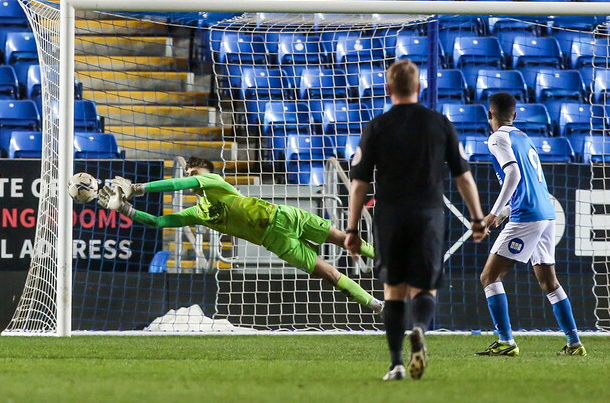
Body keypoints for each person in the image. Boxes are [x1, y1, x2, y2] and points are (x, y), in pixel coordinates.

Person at [345, 59, 487, 382]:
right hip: (428, 216)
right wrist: (477, 218)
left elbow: (358, 185)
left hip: (390, 217)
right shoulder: (439, 123)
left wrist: (352, 230)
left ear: (388, 89)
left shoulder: (377, 127)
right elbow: (464, 177)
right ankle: (420, 328)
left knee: (393, 292)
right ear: (419, 88)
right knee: (424, 289)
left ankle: (396, 365)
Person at [97, 157, 384, 314]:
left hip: (285, 215)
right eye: (190, 171)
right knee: (330, 274)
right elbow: (159, 221)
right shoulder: (199, 213)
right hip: (276, 240)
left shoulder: (214, 181)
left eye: (194, 172)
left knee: (344, 239)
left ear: (205, 173)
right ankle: (376, 305)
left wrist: (138, 188)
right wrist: (124, 208)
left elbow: (178, 182)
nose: (191, 176)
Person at [475, 92, 586, 357]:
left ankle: (505, 341)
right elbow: (530, 185)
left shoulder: (497, 138)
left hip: (527, 215)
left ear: (490, 115)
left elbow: (513, 174)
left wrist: (491, 214)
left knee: (489, 277)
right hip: (547, 213)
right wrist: (502, 215)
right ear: (514, 116)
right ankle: (574, 344)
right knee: (549, 281)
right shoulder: (524, 138)